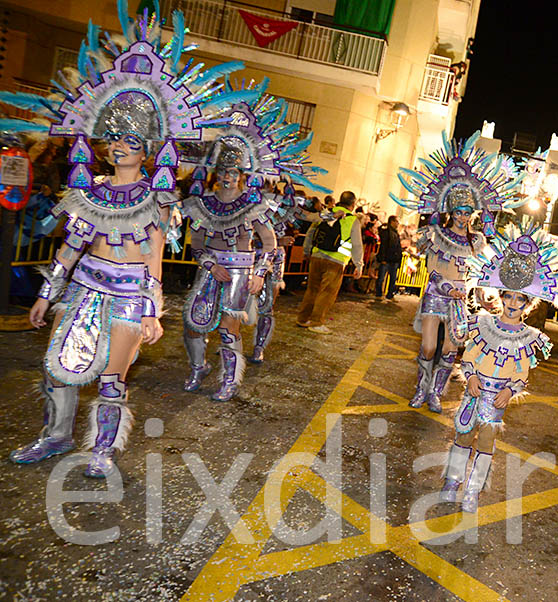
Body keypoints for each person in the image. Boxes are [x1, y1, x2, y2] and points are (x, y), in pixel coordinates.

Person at [4, 2, 232, 476]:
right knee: (56, 369)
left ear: (147, 148)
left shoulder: (157, 195)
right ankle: (55, 435)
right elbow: (72, 245)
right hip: (85, 287)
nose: (118, 145)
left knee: (112, 378)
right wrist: (48, 294)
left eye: (129, 139)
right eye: (112, 137)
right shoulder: (94, 190)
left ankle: (102, 450)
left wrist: (152, 310)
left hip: (129, 295)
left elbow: (153, 256)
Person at [182, 86, 310, 400]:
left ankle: (230, 380)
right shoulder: (204, 203)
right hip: (212, 271)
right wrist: (210, 264)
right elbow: (196, 244)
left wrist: (259, 274)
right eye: (223, 170)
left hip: (240, 272)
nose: (228, 176)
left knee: (229, 329)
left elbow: (268, 244)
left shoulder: (254, 205)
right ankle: (199, 368)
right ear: (216, 172)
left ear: (243, 174)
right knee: (192, 325)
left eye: (234, 171)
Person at [439, 223, 558, 511]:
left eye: (520, 298)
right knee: (463, 434)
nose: (513, 302)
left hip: (496, 397)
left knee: (486, 441)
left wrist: (510, 391)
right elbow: (469, 356)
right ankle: (452, 480)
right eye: (509, 296)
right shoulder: (483, 324)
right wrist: (471, 377)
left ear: (529, 304)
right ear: (500, 295)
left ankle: (473, 491)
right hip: (474, 392)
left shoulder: (529, 337)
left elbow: (521, 374)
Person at [389, 130, 522, 413]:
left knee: (450, 350)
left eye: (467, 212)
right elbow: (431, 268)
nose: (463, 216)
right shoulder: (435, 234)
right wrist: (444, 284)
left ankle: (435, 393)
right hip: (436, 297)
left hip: (460, 300)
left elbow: (479, 271)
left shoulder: (477, 241)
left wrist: (483, 293)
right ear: (451, 211)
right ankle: (420, 389)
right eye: (459, 211)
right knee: (427, 348)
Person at [249, 141, 330, 364]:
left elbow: (306, 216)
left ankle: (259, 346)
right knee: (234, 303)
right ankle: (230, 340)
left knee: (267, 306)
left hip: (274, 259)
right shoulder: (245, 200)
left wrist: (327, 216)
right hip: (245, 257)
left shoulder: (283, 203)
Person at [296, 190, 363, 334]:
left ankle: (303, 318)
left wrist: (307, 251)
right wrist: (359, 264)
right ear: (353, 204)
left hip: (317, 256)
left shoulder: (326, 213)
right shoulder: (352, 219)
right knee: (327, 292)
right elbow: (357, 244)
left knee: (312, 289)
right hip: (336, 261)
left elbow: (311, 232)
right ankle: (316, 322)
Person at [375, 215, 403, 299]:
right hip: (387, 259)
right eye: (396, 222)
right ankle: (379, 293)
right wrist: (383, 258)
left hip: (394, 259)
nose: (398, 224)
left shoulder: (395, 233)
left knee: (393, 279)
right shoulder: (386, 232)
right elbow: (383, 246)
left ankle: (390, 294)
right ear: (392, 222)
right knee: (381, 278)